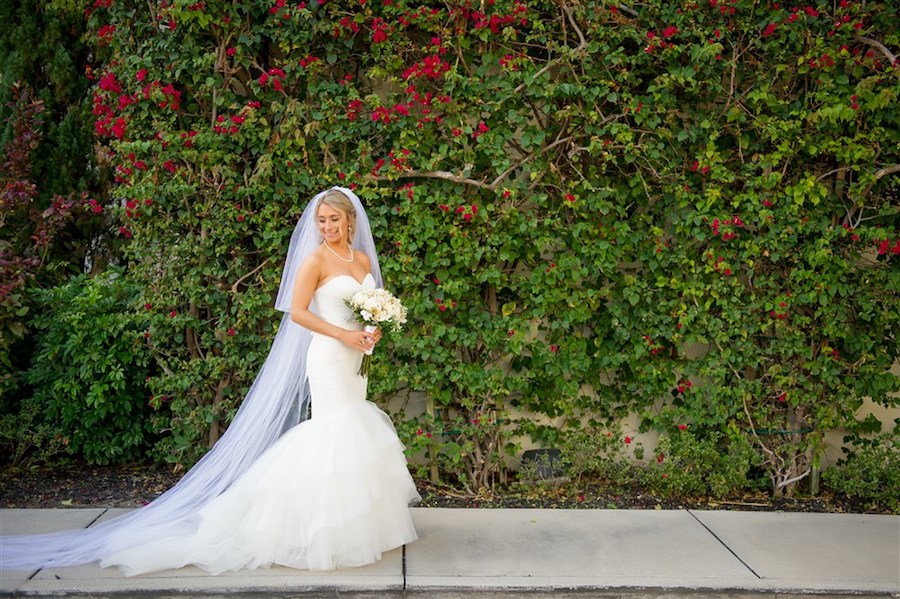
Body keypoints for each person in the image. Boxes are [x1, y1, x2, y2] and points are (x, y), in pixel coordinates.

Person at [0, 187, 420, 574]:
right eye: (321, 221)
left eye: (334, 220)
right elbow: (298, 313)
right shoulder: (315, 260)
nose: (327, 227)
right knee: (331, 431)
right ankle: (310, 530)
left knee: (354, 429)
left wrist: (370, 330)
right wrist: (344, 334)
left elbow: (364, 308)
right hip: (328, 357)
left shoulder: (362, 261)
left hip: (355, 357)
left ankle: (358, 528)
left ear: (351, 222)